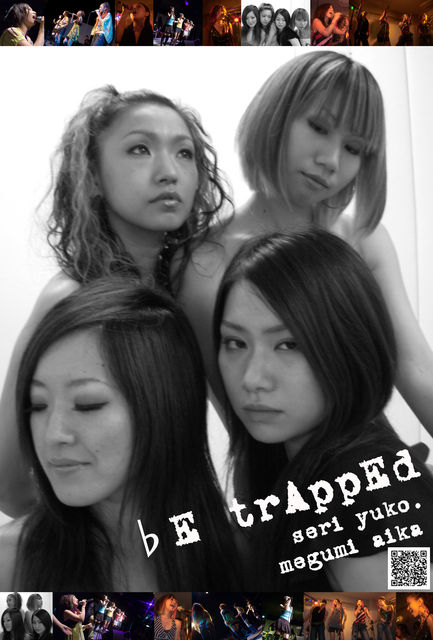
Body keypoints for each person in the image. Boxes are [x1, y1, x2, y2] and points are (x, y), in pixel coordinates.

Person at [179, 50, 433, 461]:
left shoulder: (361, 239)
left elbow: (417, 369)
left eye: (354, 148)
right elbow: (243, 427)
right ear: (275, 115)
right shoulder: (206, 265)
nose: (330, 161)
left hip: (381, 471)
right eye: (318, 127)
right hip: (290, 485)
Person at [0, 84, 231, 518]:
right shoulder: (70, 298)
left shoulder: (186, 289)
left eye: (184, 153)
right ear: (93, 177)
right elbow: (9, 484)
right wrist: (96, 541)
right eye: (140, 149)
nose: (169, 172)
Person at [213, 230, 433, 590]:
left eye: (288, 344)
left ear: (348, 345)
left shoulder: (362, 487)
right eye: (236, 342)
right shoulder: (289, 463)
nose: (252, 378)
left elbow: (410, 615)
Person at [0, 279, 237, 589]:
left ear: (163, 406)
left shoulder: (244, 558)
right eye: (38, 405)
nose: (53, 434)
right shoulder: (10, 566)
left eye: (87, 405)